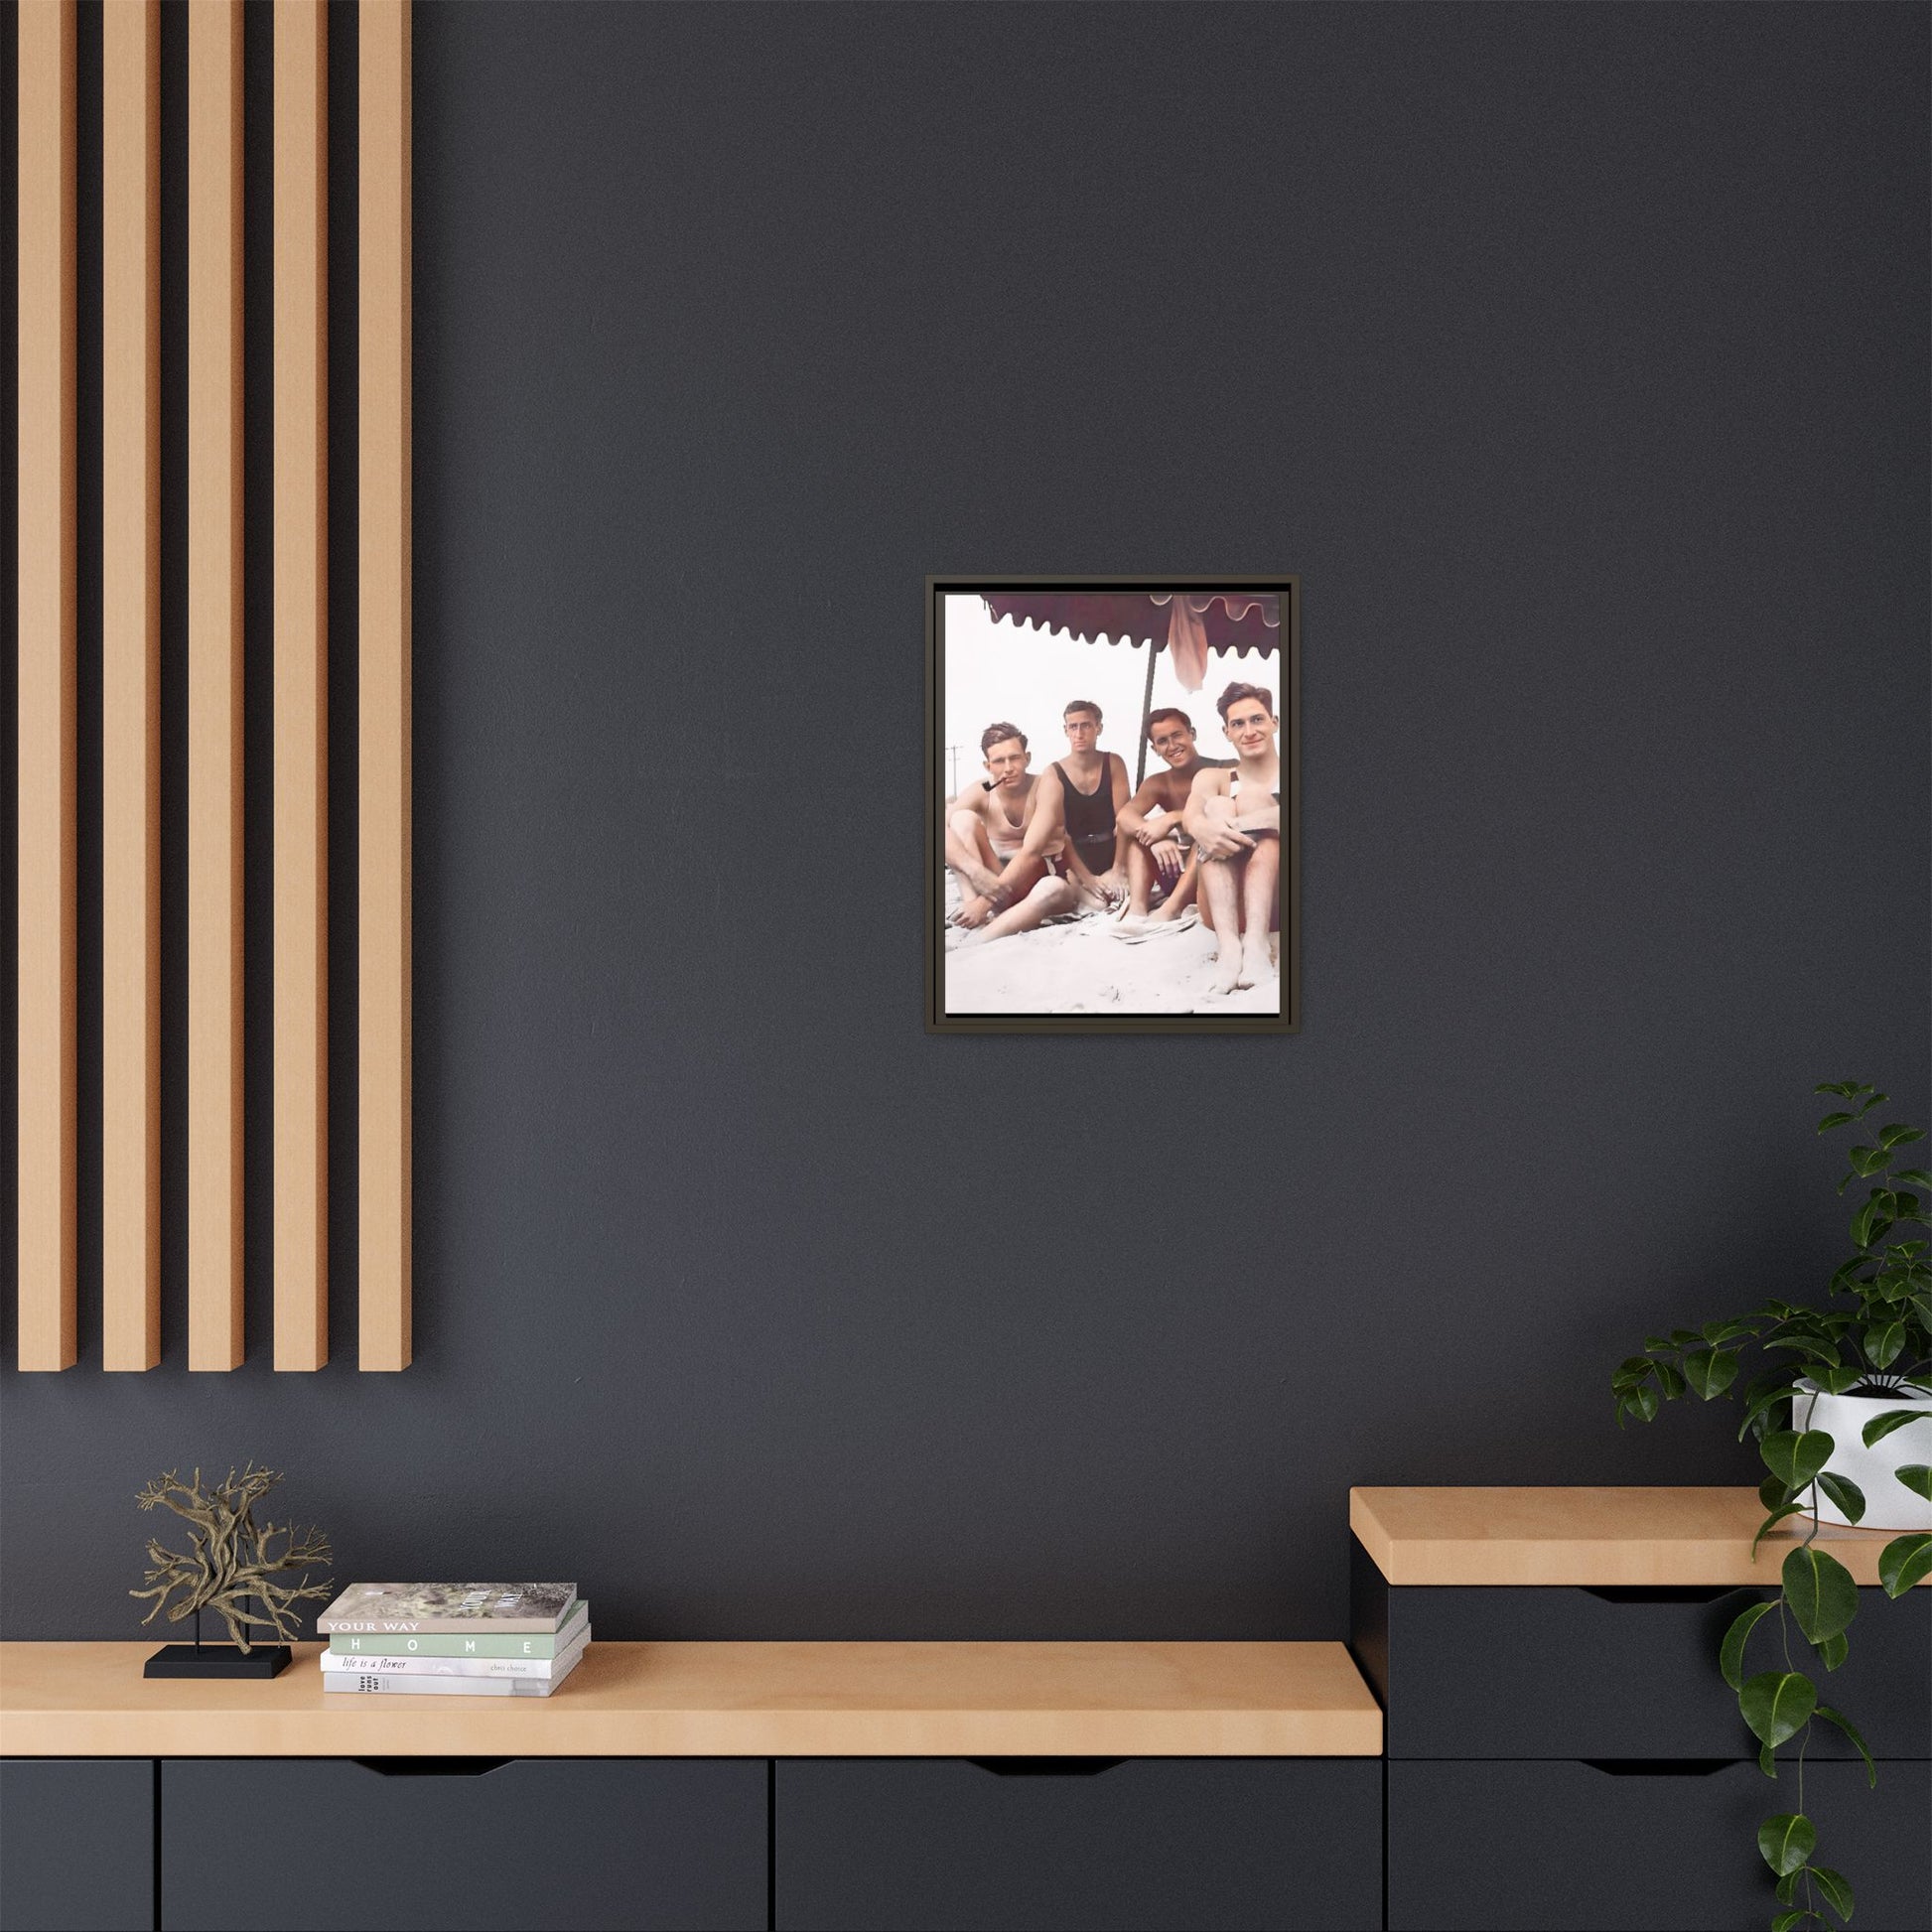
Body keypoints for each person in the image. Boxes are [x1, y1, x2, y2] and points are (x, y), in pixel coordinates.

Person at [1182, 681, 1283, 996]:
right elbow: (1191, 817)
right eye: (1237, 724)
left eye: (1257, 719)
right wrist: (1205, 827)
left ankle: (1256, 943)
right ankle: (1230, 948)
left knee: (1251, 800)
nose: (1249, 730)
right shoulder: (1212, 777)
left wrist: (1232, 826)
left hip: (1279, 902)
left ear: (1274, 722)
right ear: (1226, 732)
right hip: (1220, 906)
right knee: (1217, 804)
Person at [944, 723, 1080, 943]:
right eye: (999, 761)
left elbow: (1032, 851)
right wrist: (975, 871)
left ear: (1027, 758)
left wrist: (984, 903)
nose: (1008, 767)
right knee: (961, 819)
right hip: (995, 885)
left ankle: (975, 941)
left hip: (1043, 884)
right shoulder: (983, 790)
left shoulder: (1047, 784)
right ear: (987, 765)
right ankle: (971, 914)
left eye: (1014, 758)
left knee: (1051, 888)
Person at [1014, 699, 1130, 910]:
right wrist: (1087, 878)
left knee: (1121, 896)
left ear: (1099, 728)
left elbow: (1124, 821)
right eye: (1073, 727)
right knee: (1098, 905)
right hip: (1074, 855)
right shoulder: (1053, 772)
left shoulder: (1113, 763)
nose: (1079, 733)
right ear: (1065, 730)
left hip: (1112, 850)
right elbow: (1060, 834)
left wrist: (1118, 869)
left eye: (1085, 725)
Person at [1114, 706, 1220, 924]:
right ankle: (1137, 910)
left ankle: (1171, 910)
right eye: (1162, 741)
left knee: (1200, 839)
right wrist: (1157, 841)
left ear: (1192, 734)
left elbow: (1232, 813)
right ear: (1154, 749)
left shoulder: (1224, 769)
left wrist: (1172, 817)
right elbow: (1125, 815)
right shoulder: (1158, 783)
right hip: (1175, 871)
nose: (1172, 746)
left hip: (1212, 871)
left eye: (1177, 735)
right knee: (1139, 841)